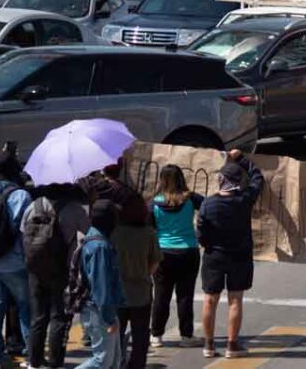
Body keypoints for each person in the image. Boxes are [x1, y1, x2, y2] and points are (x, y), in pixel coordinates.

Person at [197, 151, 264, 359]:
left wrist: (209, 246)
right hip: (240, 255)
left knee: (209, 300)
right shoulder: (244, 200)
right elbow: (258, 178)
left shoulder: (208, 204)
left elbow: (201, 232)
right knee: (235, 299)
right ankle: (232, 345)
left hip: (214, 256)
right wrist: (242, 158)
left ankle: (209, 345)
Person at [23, 183, 90, 369]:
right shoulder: (74, 209)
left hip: (35, 268)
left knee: (38, 317)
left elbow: (23, 231)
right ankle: (55, 363)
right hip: (60, 269)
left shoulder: (34, 205)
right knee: (58, 316)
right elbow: (89, 232)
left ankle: (34, 362)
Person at [149, 165, 204, 348]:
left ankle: (156, 335)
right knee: (185, 295)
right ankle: (187, 336)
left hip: (163, 253)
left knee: (161, 295)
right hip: (188, 251)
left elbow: (149, 228)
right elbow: (210, 207)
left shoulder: (154, 203)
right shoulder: (191, 199)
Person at [74, 200, 126, 369]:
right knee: (102, 361)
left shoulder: (92, 237)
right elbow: (101, 287)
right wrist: (109, 319)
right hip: (98, 310)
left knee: (114, 361)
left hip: (99, 309)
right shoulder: (100, 247)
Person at [0, 157, 32, 367]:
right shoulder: (21, 195)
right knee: (25, 307)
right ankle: (30, 354)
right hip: (15, 261)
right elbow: (25, 231)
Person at [112, 209, 162, 369]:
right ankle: (137, 364)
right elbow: (156, 261)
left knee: (116, 331)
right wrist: (144, 273)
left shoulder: (115, 233)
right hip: (141, 290)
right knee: (140, 333)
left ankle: (116, 361)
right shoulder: (149, 233)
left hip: (119, 290)